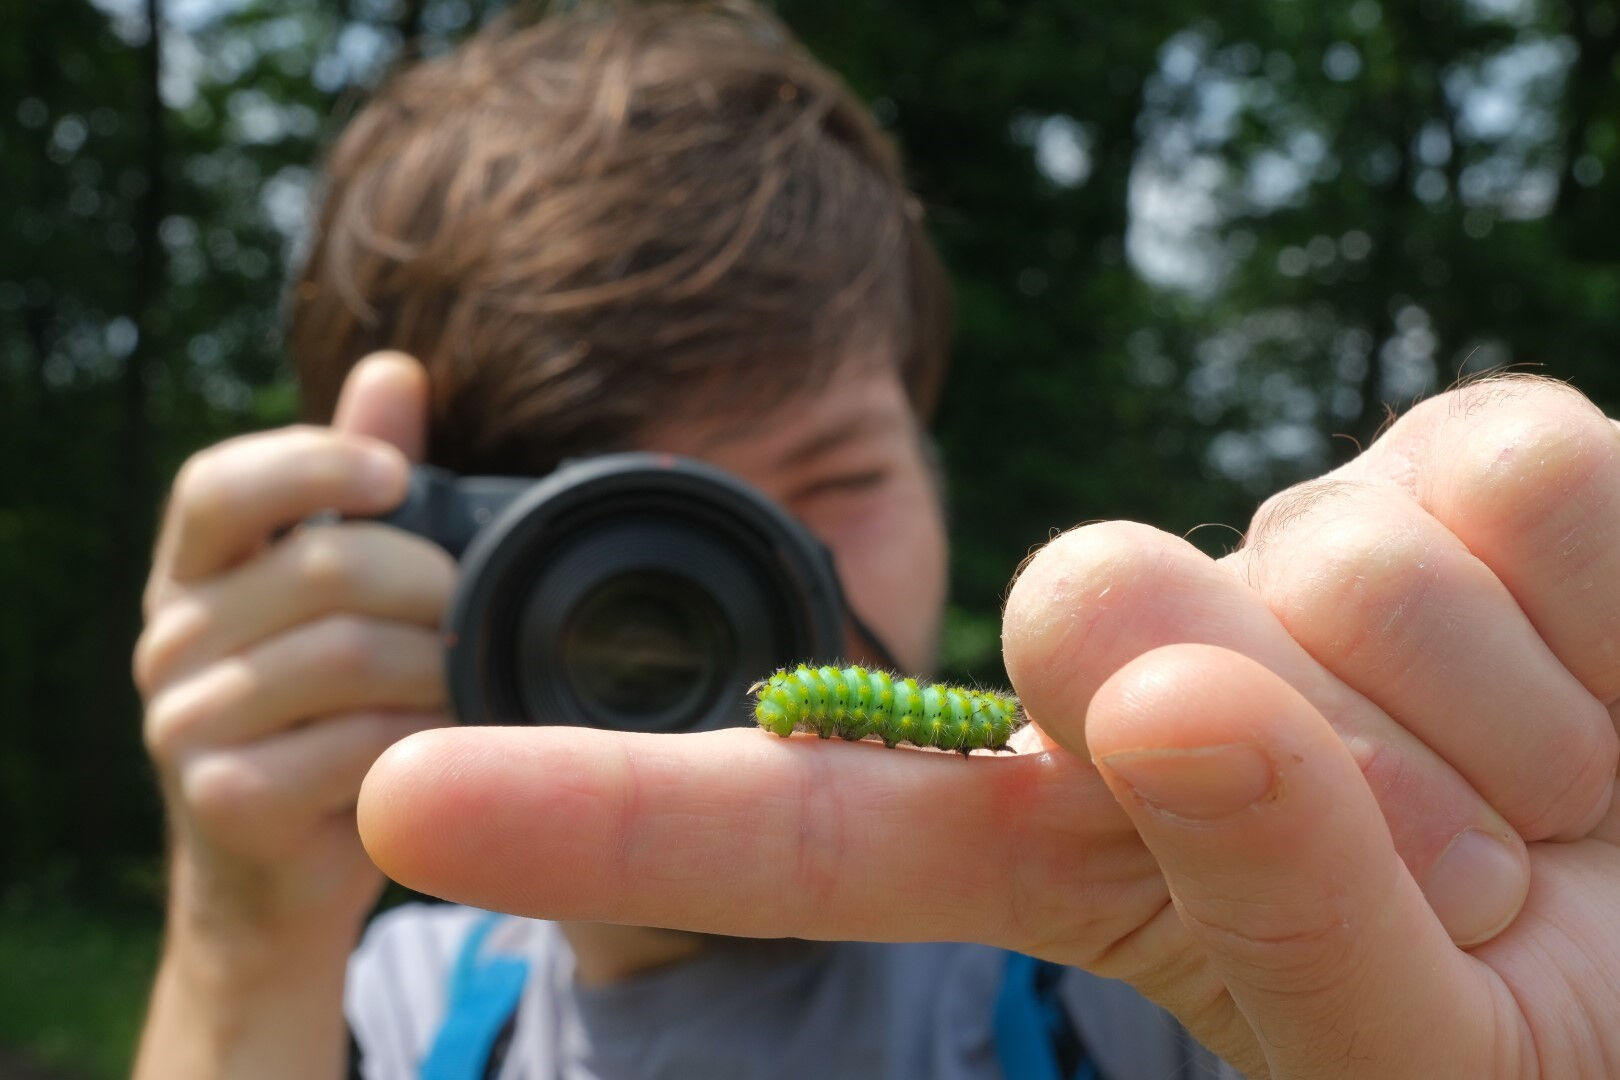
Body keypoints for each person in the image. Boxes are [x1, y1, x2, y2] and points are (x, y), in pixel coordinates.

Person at [132, 3, 1620, 1079]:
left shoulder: (1181, 958)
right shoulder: (391, 1012)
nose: (754, 587)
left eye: (831, 471)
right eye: (638, 523)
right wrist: (247, 930)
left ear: (932, 458)